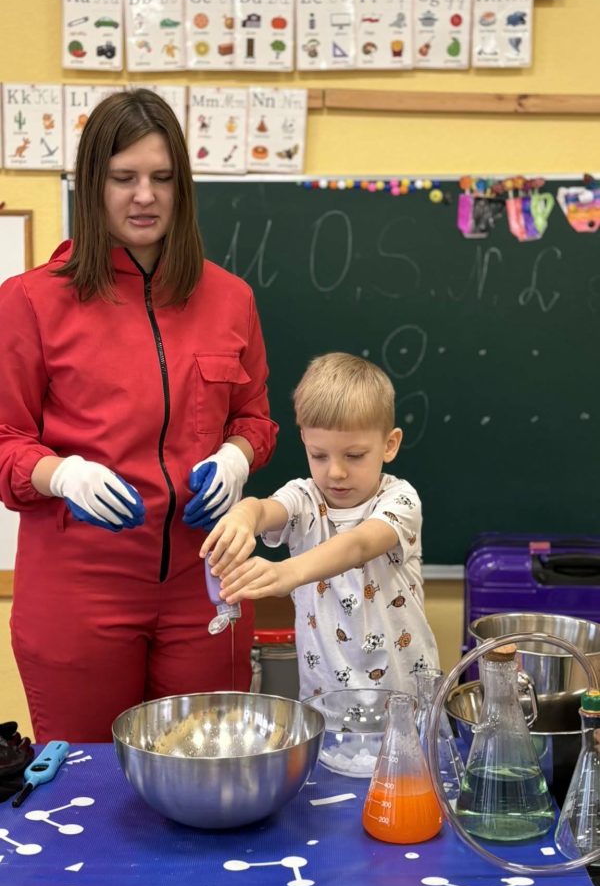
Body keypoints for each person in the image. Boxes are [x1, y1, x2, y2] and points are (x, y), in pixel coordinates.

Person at [0, 89, 277, 743]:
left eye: (162, 178)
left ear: (183, 188)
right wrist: (61, 474)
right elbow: (5, 440)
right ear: (92, 185)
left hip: (206, 581)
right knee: (87, 783)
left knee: (207, 770)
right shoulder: (29, 301)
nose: (144, 196)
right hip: (79, 593)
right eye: (124, 178)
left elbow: (255, 420)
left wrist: (236, 457)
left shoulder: (231, 298)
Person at [201, 353, 439, 700]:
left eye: (354, 456)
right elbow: (266, 510)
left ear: (390, 445)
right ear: (305, 442)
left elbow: (359, 545)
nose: (335, 472)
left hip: (404, 704)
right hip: (324, 705)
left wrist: (287, 572)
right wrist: (245, 514)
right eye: (319, 455)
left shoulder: (400, 500)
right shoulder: (303, 498)